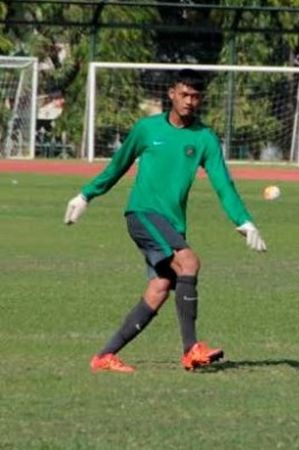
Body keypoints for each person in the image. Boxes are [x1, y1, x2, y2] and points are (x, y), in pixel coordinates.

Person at [64, 69, 268, 373]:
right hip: (143, 213)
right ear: (171, 93)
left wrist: (245, 221)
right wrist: (85, 196)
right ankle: (191, 350)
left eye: (195, 96)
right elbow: (117, 166)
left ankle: (104, 357)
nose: (189, 101)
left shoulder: (205, 139)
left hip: (171, 224)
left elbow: (224, 185)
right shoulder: (147, 129)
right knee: (189, 263)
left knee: (160, 288)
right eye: (184, 94)